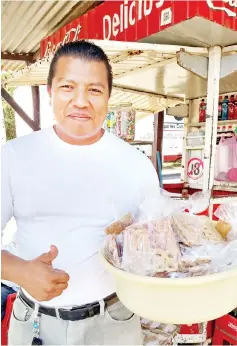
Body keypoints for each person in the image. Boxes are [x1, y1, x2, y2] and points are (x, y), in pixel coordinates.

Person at [1, 40, 160, 345]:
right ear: (50, 91)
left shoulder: (136, 165)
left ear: (108, 97)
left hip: (115, 323)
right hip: (36, 324)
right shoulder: (14, 157)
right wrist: (20, 270)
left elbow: (153, 250)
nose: (80, 101)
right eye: (68, 87)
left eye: (94, 90)